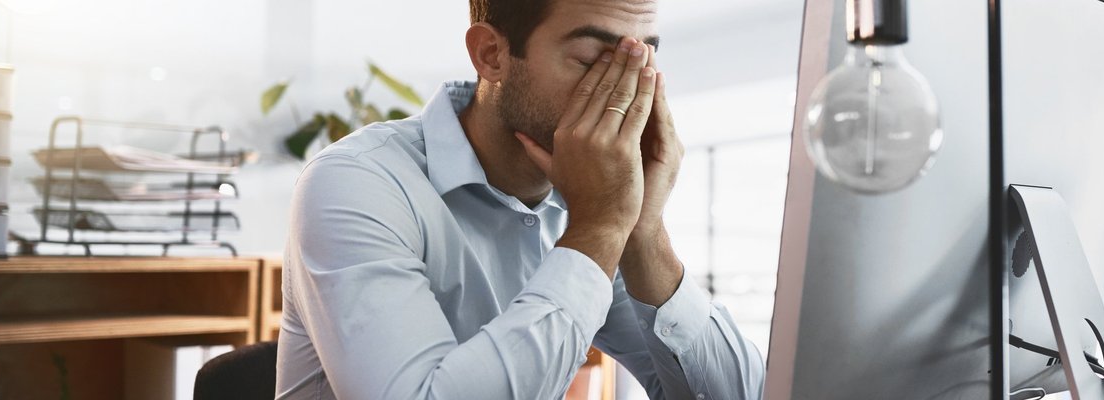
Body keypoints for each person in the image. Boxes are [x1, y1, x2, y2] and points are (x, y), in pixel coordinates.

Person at [275, 0, 765, 398]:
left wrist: (643, 230)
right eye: (595, 60)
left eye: (642, 61)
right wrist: (598, 229)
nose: (624, 90)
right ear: (491, 55)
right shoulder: (357, 181)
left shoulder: (595, 203)